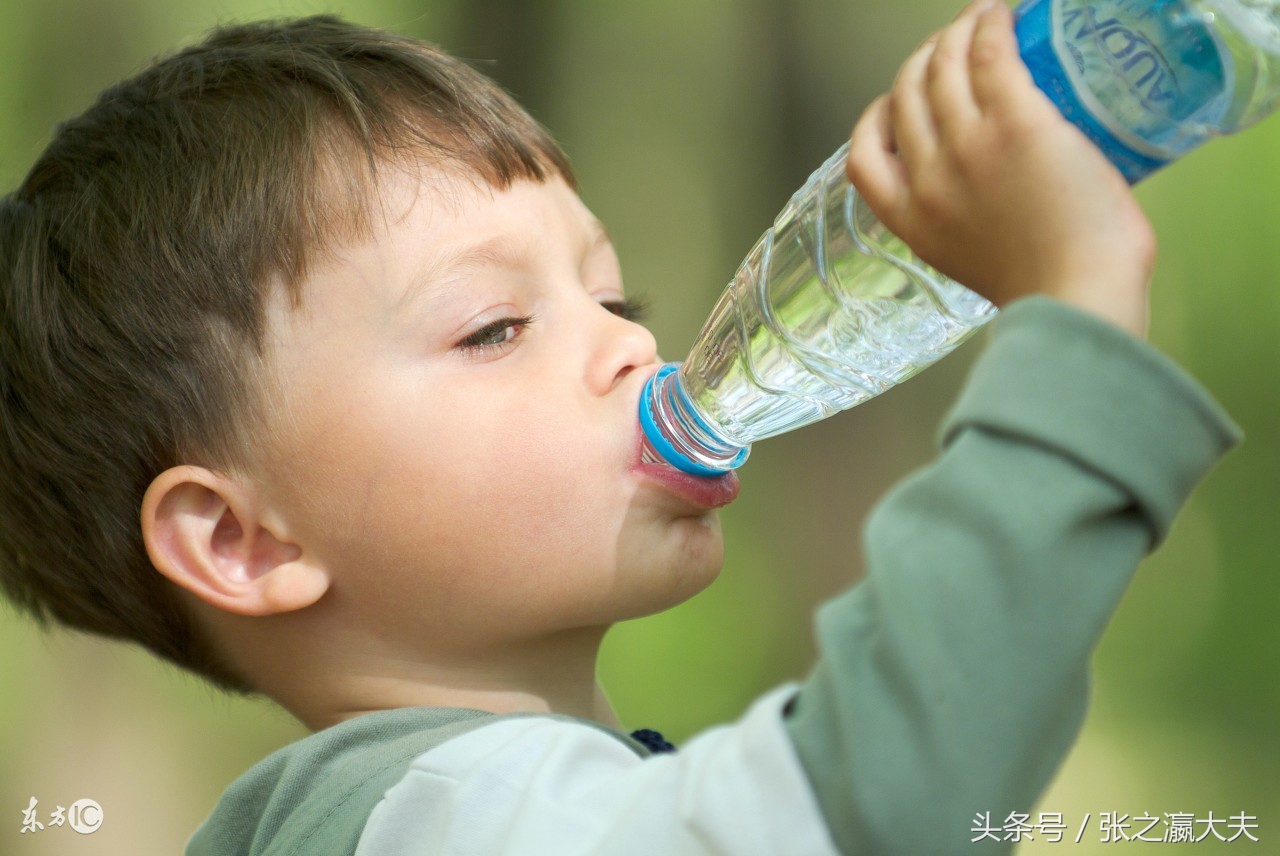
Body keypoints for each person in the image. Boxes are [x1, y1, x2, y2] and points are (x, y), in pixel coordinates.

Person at [0, 1, 1241, 852]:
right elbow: (872, 807)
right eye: (493, 326)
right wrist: (1072, 325)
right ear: (242, 540)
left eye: (610, 298)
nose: (634, 346)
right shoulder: (443, 819)